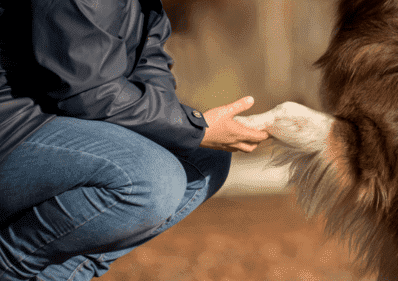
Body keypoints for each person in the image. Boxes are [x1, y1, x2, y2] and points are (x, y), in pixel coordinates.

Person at [0, 0, 269, 280]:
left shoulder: (145, 5)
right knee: (151, 178)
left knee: (202, 158)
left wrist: (190, 130)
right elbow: (90, 93)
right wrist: (195, 129)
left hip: (46, 122)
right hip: (11, 128)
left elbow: (149, 69)